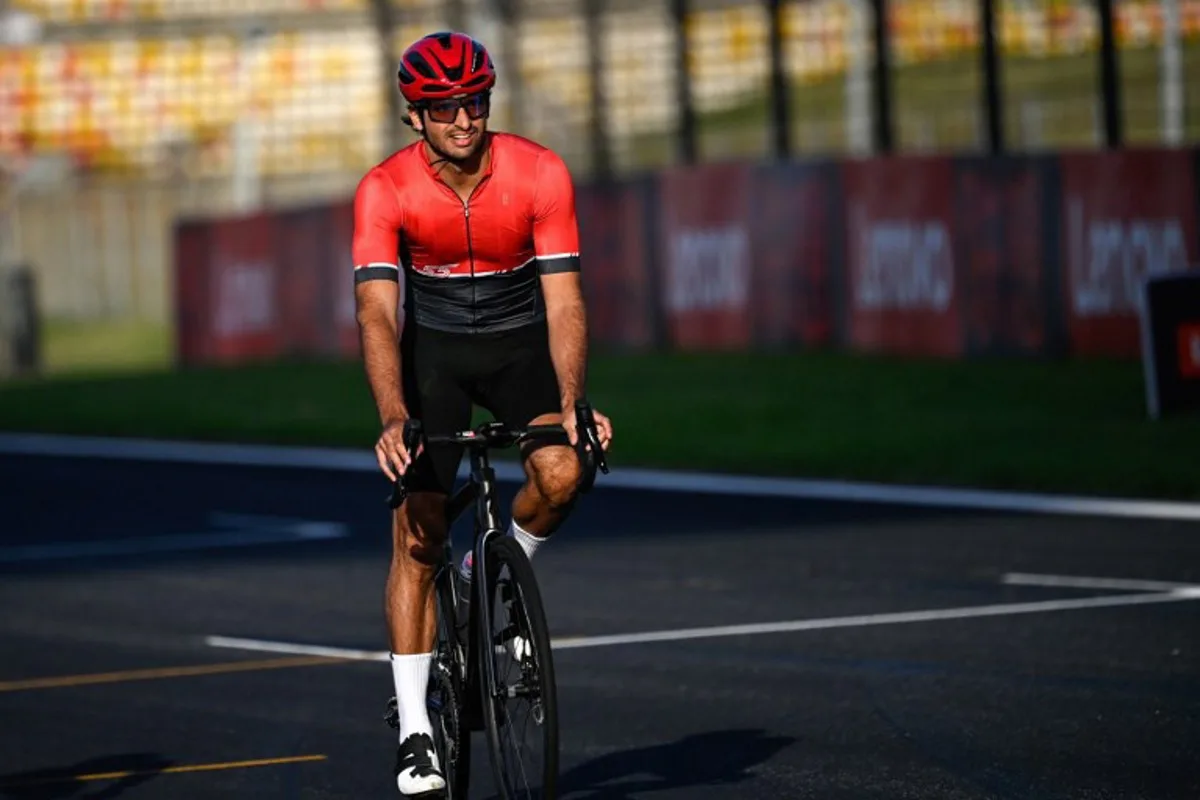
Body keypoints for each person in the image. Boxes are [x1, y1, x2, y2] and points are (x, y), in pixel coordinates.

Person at [351, 30, 614, 798]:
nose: (463, 120)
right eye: (443, 108)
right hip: (430, 348)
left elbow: (564, 300)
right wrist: (395, 414)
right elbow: (375, 312)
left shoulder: (540, 171)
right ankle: (413, 732)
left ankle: (495, 569)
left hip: (515, 341)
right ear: (415, 115)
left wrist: (571, 400)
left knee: (565, 470)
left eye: (473, 103)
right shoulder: (384, 188)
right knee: (421, 528)